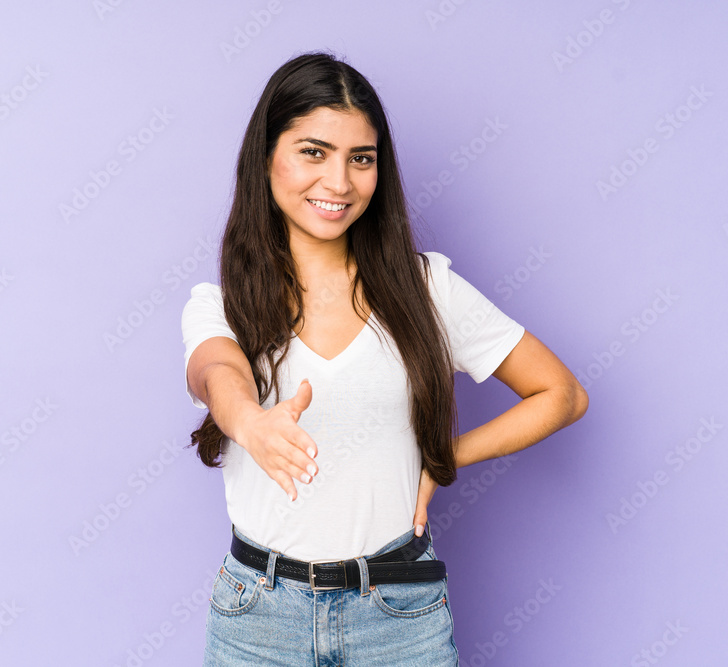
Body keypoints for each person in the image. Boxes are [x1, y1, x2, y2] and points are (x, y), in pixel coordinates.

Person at [181, 50, 588, 666]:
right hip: (258, 620)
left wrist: (444, 458)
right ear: (265, 157)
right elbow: (217, 372)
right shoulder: (221, 303)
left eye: (361, 158)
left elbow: (562, 394)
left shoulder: (427, 290)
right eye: (313, 152)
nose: (339, 182)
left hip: (399, 615)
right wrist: (250, 423)